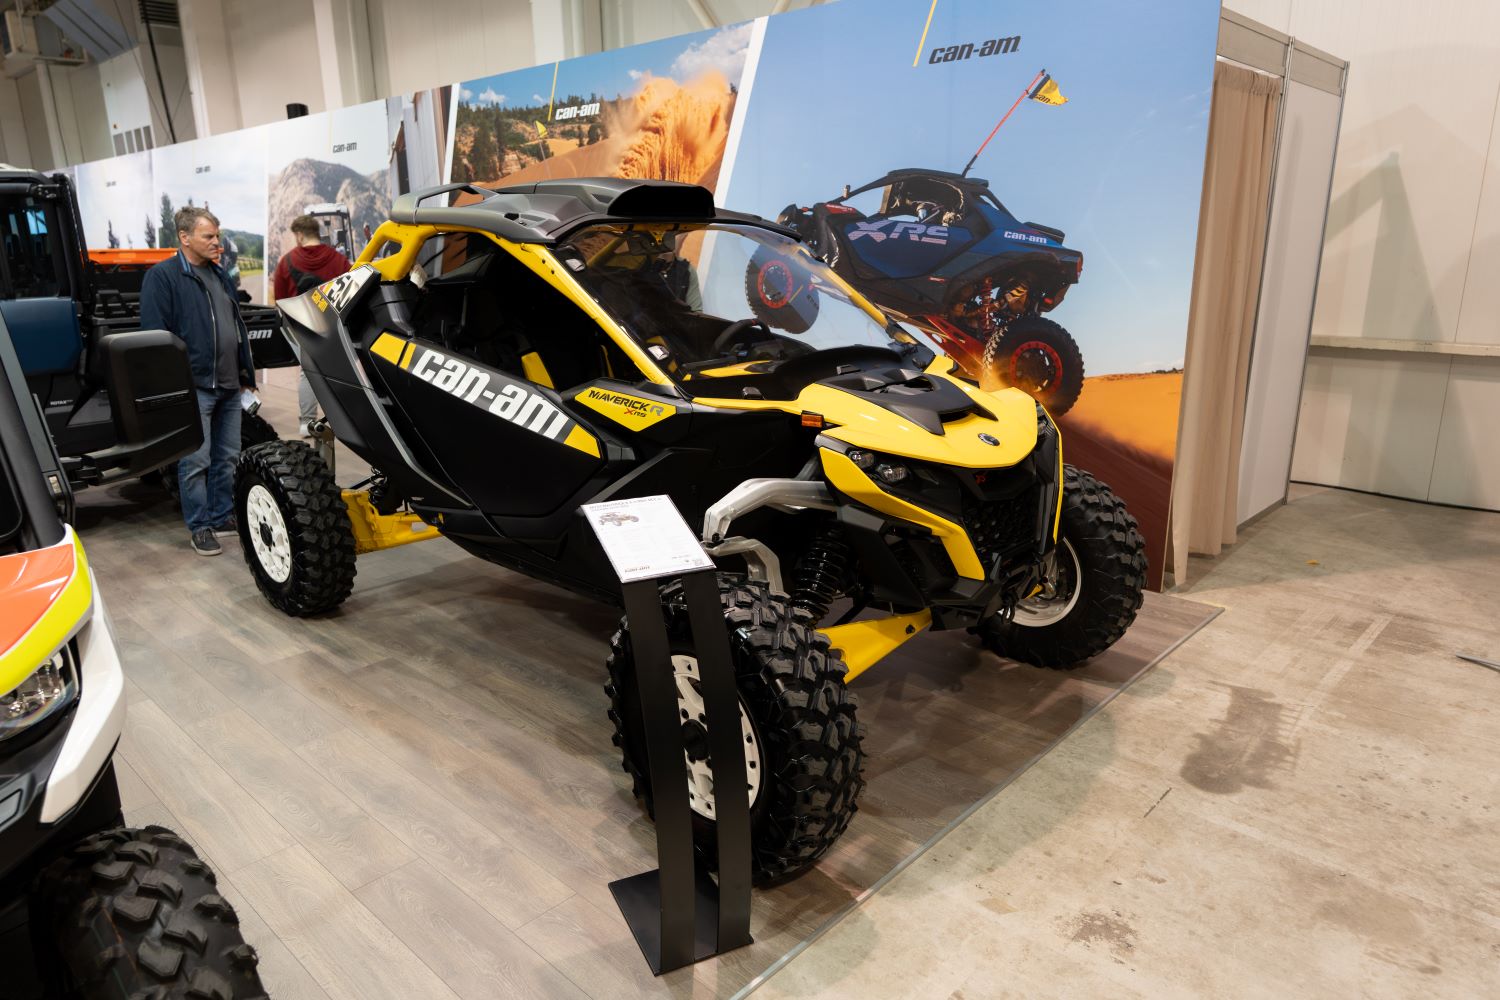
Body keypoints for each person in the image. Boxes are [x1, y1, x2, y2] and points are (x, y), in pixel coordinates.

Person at [140, 207, 257, 556]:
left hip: (228, 384)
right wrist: (172, 385)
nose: (216, 242)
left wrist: (244, 373)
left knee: (227, 458)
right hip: (194, 386)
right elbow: (155, 337)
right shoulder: (162, 277)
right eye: (209, 236)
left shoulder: (220, 275)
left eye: (217, 235)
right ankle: (200, 526)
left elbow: (234, 327)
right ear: (185, 237)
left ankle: (221, 516)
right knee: (195, 461)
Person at [273, 215, 352, 436]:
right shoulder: (339, 260)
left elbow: (280, 299)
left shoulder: (287, 262)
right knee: (339, 372)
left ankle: (307, 422)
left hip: (300, 327)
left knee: (308, 373)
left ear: (299, 235)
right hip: (331, 326)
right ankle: (343, 423)